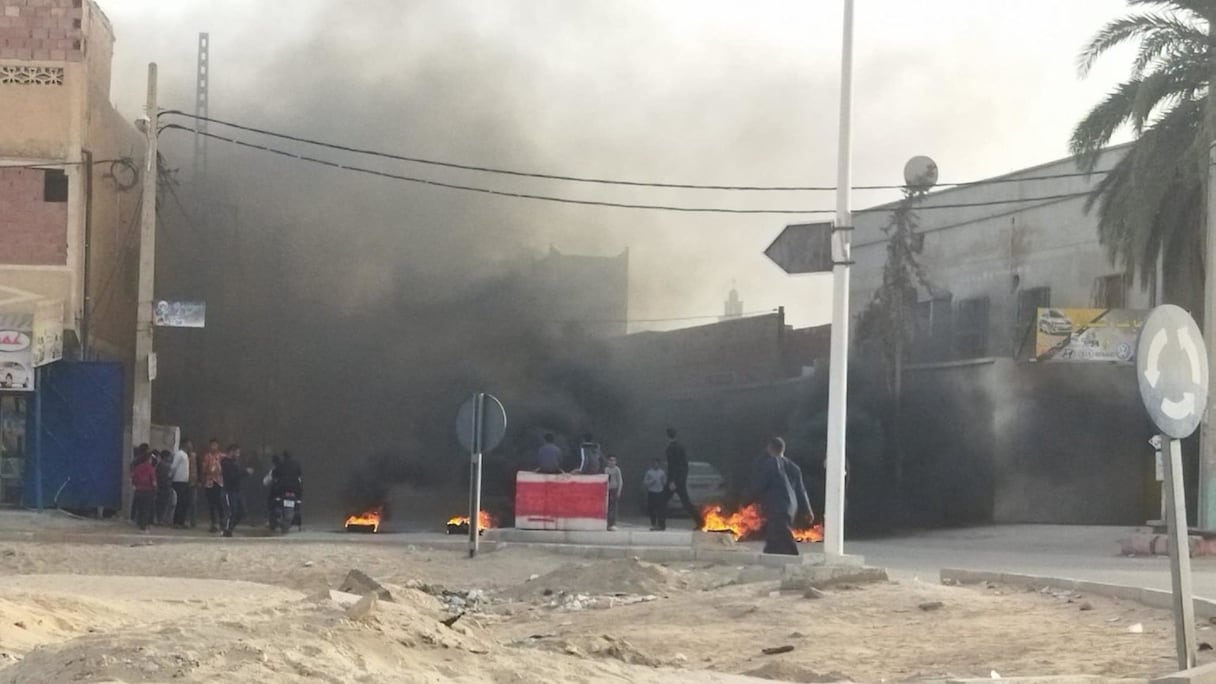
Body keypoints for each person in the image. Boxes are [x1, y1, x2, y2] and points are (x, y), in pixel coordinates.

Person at [751, 436, 814, 556]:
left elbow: (761, 483)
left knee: (783, 533)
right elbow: (801, 490)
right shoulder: (794, 467)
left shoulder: (771, 463)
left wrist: (752, 498)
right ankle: (770, 556)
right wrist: (808, 510)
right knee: (774, 534)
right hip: (791, 506)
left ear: (770, 448)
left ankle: (794, 557)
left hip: (777, 504)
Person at [664, 428, 703, 528]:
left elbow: (672, 466)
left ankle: (660, 524)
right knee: (686, 503)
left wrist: (672, 481)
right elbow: (684, 465)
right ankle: (700, 522)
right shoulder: (681, 447)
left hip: (674, 481)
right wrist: (682, 480)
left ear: (667, 436)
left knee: (661, 501)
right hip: (680, 481)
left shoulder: (671, 448)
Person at [220, 443, 251, 538]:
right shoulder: (225, 462)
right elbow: (231, 476)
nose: (238, 455)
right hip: (229, 491)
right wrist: (244, 472)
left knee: (242, 511)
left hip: (238, 491)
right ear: (231, 452)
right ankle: (226, 529)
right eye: (237, 453)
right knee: (231, 511)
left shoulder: (236, 463)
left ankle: (230, 527)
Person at [200, 439, 225, 533]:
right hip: (209, 482)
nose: (213, 447)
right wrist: (209, 471)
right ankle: (213, 523)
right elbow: (204, 469)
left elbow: (226, 468)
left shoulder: (222, 456)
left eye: (215, 445)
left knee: (219, 502)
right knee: (211, 503)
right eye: (212, 445)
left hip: (219, 482)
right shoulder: (207, 456)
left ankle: (222, 521)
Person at [130, 450, 157, 532]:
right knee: (146, 509)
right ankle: (143, 526)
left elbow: (133, 479)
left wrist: (135, 485)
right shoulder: (150, 468)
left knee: (140, 508)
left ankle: (139, 523)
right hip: (148, 491)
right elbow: (153, 481)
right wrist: (155, 489)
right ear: (149, 459)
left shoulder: (138, 467)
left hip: (138, 490)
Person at [171, 439, 192, 528]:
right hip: (178, 481)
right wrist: (171, 476)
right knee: (179, 502)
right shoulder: (179, 454)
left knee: (185, 502)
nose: (191, 446)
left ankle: (181, 521)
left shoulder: (186, 455)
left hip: (185, 481)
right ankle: (176, 522)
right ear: (185, 444)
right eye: (190, 444)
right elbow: (174, 466)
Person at [642, 458, 668, 531]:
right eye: (654, 463)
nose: (655, 465)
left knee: (660, 510)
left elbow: (665, 483)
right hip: (651, 492)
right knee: (651, 509)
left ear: (659, 464)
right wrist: (651, 481)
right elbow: (645, 482)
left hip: (660, 492)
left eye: (657, 463)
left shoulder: (662, 472)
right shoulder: (649, 472)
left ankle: (661, 525)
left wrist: (663, 481)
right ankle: (653, 524)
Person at [154, 450, 174, 526]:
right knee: (164, 504)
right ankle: (161, 520)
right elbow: (168, 476)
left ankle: (159, 519)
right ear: (166, 457)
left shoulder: (159, 464)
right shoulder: (166, 466)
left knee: (159, 504)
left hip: (160, 486)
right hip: (165, 487)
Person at [604, 454, 623, 531]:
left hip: (614, 490)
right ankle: (607, 523)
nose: (612, 462)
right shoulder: (606, 469)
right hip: (607, 490)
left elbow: (620, 481)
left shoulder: (617, 469)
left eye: (614, 460)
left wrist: (619, 491)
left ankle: (613, 523)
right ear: (608, 461)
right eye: (610, 460)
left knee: (613, 508)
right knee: (607, 508)